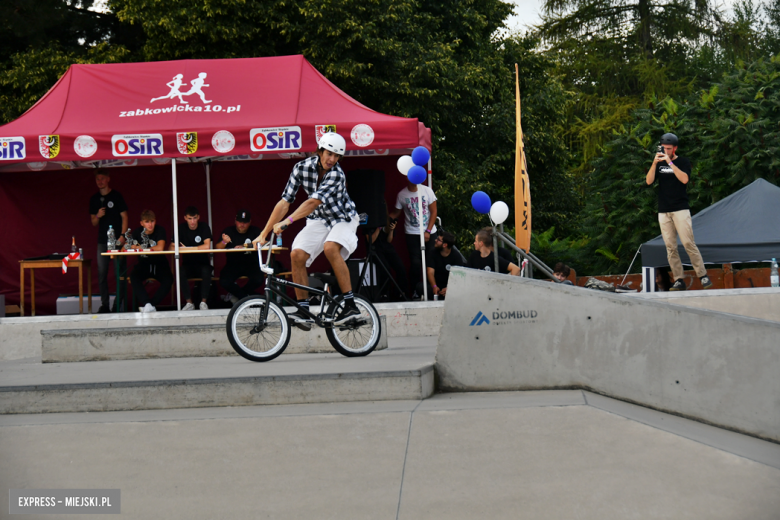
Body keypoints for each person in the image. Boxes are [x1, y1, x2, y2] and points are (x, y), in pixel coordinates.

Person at [254, 132, 361, 330]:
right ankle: (304, 310)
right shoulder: (300, 168)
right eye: (329, 154)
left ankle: (350, 304)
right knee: (297, 255)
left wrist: (287, 222)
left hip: (343, 218)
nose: (332, 160)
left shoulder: (337, 174)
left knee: (330, 248)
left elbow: (312, 202)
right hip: (319, 219)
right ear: (320, 150)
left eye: (337, 156)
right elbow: (284, 202)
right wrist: (263, 234)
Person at [646, 133, 712, 291]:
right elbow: (648, 181)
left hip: (680, 208)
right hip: (664, 210)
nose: (666, 151)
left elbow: (684, 179)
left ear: (675, 148)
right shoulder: (659, 163)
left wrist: (669, 162)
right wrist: (655, 164)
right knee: (670, 247)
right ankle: (678, 279)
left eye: (669, 148)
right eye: (664, 148)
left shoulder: (683, 162)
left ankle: (702, 275)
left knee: (688, 242)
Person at [389, 178, 438, 298]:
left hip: (429, 232)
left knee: (430, 262)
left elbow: (434, 211)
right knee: (415, 264)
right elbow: (396, 213)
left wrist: (428, 230)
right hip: (412, 233)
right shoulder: (402, 194)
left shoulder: (427, 191)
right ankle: (416, 291)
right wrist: (382, 218)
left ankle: (432, 290)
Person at [89, 169, 128, 313]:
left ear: (108, 179)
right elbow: (93, 222)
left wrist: (123, 235)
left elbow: (125, 216)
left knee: (120, 273)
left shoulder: (116, 196)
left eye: (102, 178)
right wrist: (98, 215)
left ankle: (118, 304)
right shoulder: (94, 199)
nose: (100, 181)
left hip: (117, 240)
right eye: (97, 179)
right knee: (101, 273)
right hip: (102, 241)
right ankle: (105, 304)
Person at [128, 210, 172, 313]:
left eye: (152, 221)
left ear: (155, 221)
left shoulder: (160, 230)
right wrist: (133, 246)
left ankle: (150, 305)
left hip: (160, 264)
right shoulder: (137, 232)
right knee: (134, 276)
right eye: (147, 221)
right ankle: (147, 303)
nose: (150, 224)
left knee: (169, 280)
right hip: (144, 264)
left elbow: (160, 247)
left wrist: (141, 248)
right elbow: (125, 247)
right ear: (142, 223)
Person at [217, 210, 263, 305]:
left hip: (251, 264)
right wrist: (224, 242)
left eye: (245, 222)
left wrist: (245, 246)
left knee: (259, 279)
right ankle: (244, 298)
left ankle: (238, 296)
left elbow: (264, 242)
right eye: (240, 221)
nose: (242, 224)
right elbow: (218, 248)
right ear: (235, 220)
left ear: (250, 222)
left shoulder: (255, 231)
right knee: (224, 280)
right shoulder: (228, 231)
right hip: (233, 264)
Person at [170, 206, 212, 310]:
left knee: (207, 270)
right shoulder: (180, 228)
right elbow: (171, 247)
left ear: (198, 217)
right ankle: (189, 303)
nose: (192, 221)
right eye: (189, 218)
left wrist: (189, 248)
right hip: (188, 265)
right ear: (185, 218)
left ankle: (203, 303)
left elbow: (207, 246)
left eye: (194, 218)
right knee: (180, 271)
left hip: (203, 264)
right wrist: (178, 248)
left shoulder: (204, 226)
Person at [369, 213, 408, 301]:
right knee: (385, 269)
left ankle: (402, 293)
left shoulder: (388, 220)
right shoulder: (372, 221)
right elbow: (370, 240)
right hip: (376, 248)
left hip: (387, 248)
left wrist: (391, 230)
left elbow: (389, 240)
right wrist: (379, 227)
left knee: (400, 267)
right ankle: (384, 294)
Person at [424, 231, 466, 299]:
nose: (435, 240)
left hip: (449, 286)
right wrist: (434, 286)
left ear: (445, 245)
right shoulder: (432, 252)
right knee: (421, 287)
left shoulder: (456, 256)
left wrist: (449, 288)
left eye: (438, 240)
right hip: (435, 285)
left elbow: (458, 277)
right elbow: (430, 272)